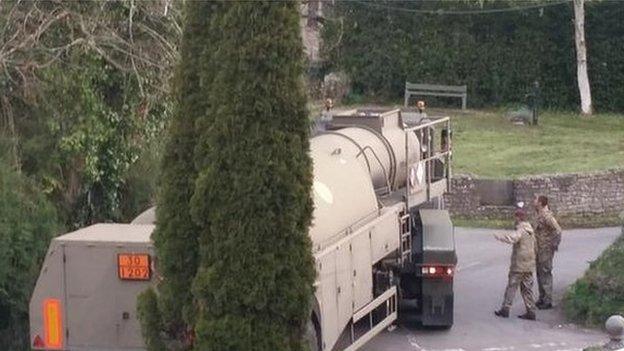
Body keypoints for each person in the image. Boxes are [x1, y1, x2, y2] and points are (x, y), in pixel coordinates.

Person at [493, 208, 537, 320]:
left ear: (518, 218)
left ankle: (505, 309)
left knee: (512, 287)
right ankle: (531, 311)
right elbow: (535, 247)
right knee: (527, 289)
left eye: (515, 217)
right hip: (529, 265)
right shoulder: (531, 231)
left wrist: (500, 237)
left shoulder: (521, 230)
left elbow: (513, 238)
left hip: (519, 265)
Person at [533, 195, 562, 310]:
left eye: (535, 199)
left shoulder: (547, 216)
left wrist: (553, 245)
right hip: (539, 248)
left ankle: (548, 300)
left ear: (540, 202)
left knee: (545, 272)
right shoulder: (538, 214)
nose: (533, 201)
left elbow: (558, 230)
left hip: (545, 249)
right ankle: (542, 297)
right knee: (539, 273)